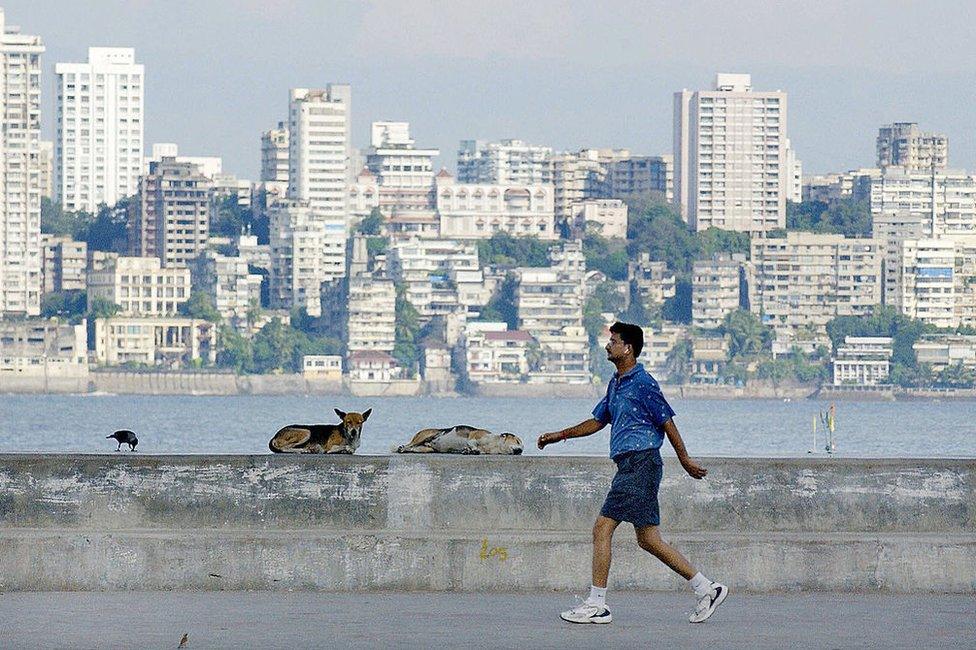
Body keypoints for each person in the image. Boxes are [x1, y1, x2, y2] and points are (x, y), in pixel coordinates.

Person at [537, 321, 727, 625]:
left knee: (602, 528)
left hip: (641, 464)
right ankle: (707, 588)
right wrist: (559, 435)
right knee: (649, 539)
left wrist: (685, 459)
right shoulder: (616, 383)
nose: (608, 345)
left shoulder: (643, 382)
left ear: (628, 348)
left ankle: (597, 603)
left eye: (613, 341)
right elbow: (597, 421)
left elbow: (667, 422)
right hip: (630, 466)